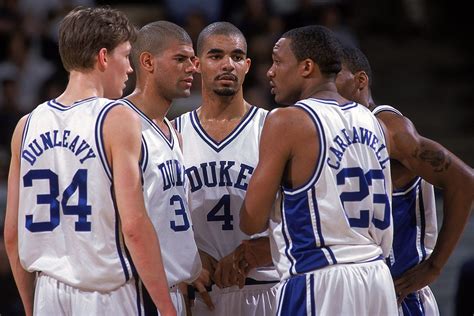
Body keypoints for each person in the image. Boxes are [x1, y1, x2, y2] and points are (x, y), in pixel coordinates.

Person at [3, 7, 175, 316]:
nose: (131, 69)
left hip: (48, 292)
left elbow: (12, 235)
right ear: (104, 57)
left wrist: (30, 308)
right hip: (105, 295)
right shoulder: (116, 117)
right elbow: (134, 227)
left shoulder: (26, 125)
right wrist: (166, 308)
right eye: (126, 55)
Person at [239, 25, 398, 315]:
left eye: (278, 61)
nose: (269, 72)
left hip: (321, 280)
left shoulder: (288, 121)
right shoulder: (373, 121)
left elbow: (250, 221)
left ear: (306, 67)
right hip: (378, 278)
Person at [335, 44, 474, 315]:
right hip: (354, 291)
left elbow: (465, 181)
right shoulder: (334, 133)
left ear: (360, 81)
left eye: (332, 76)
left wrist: (434, 267)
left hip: (399, 295)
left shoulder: (388, 126)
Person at [174, 22, 279, 315]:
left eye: (236, 56)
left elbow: (303, 213)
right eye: (216, 56)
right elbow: (158, 214)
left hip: (263, 287)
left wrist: (259, 251)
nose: (227, 65)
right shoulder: (173, 134)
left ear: (247, 65)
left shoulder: (272, 128)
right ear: (197, 64)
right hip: (200, 289)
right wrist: (189, 256)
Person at [118, 20, 202, 316]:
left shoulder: (173, 132)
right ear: (147, 61)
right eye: (180, 59)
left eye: (192, 60)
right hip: (139, 292)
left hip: (175, 289)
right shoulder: (120, 124)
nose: (192, 67)